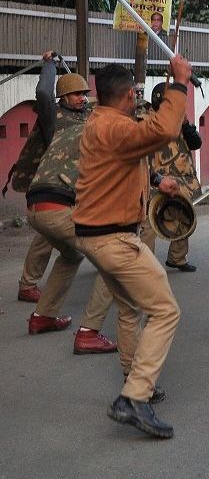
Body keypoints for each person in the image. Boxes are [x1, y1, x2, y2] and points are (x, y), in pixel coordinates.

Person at [73, 56, 193, 439]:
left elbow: (126, 158)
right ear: (127, 95)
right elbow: (164, 128)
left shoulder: (101, 122)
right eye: (136, 94)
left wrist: (157, 179)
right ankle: (133, 397)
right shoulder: (115, 126)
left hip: (96, 236)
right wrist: (179, 83)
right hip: (115, 239)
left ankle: (134, 377)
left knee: (128, 309)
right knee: (166, 311)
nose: (138, 98)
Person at [20, 50, 117, 355]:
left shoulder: (91, 116)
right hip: (59, 201)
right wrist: (48, 65)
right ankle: (89, 331)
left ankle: (43, 316)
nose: (81, 98)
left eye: (83, 93)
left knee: (70, 254)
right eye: (74, 94)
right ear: (63, 98)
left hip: (46, 202)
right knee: (112, 260)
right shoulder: (54, 119)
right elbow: (43, 95)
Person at [139, 82, 202, 273]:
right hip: (156, 179)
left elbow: (196, 143)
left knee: (183, 214)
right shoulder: (146, 120)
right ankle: (145, 266)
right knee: (149, 223)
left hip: (181, 178)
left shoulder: (179, 120)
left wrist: (186, 125)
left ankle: (177, 258)